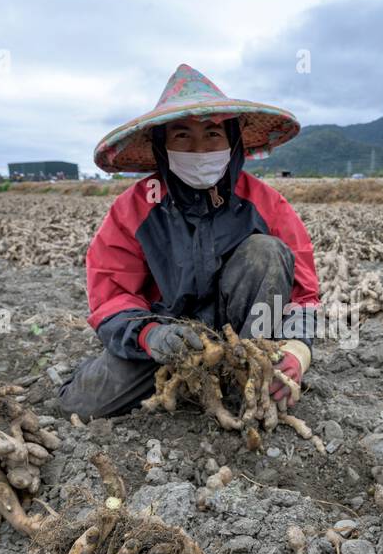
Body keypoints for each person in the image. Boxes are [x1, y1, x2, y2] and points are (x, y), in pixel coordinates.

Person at [58, 64, 319, 420]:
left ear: (233, 140)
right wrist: (149, 335)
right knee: (81, 405)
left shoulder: (265, 202)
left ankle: (247, 375)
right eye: (182, 137)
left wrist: (297, 352)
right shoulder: (135, 208)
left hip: (244, 339)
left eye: (213, 134)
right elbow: (110, 295)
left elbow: (305, 296)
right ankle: (183, 376)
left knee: (266, 251)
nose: (199, 149)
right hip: (168, 339)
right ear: (162, 145)